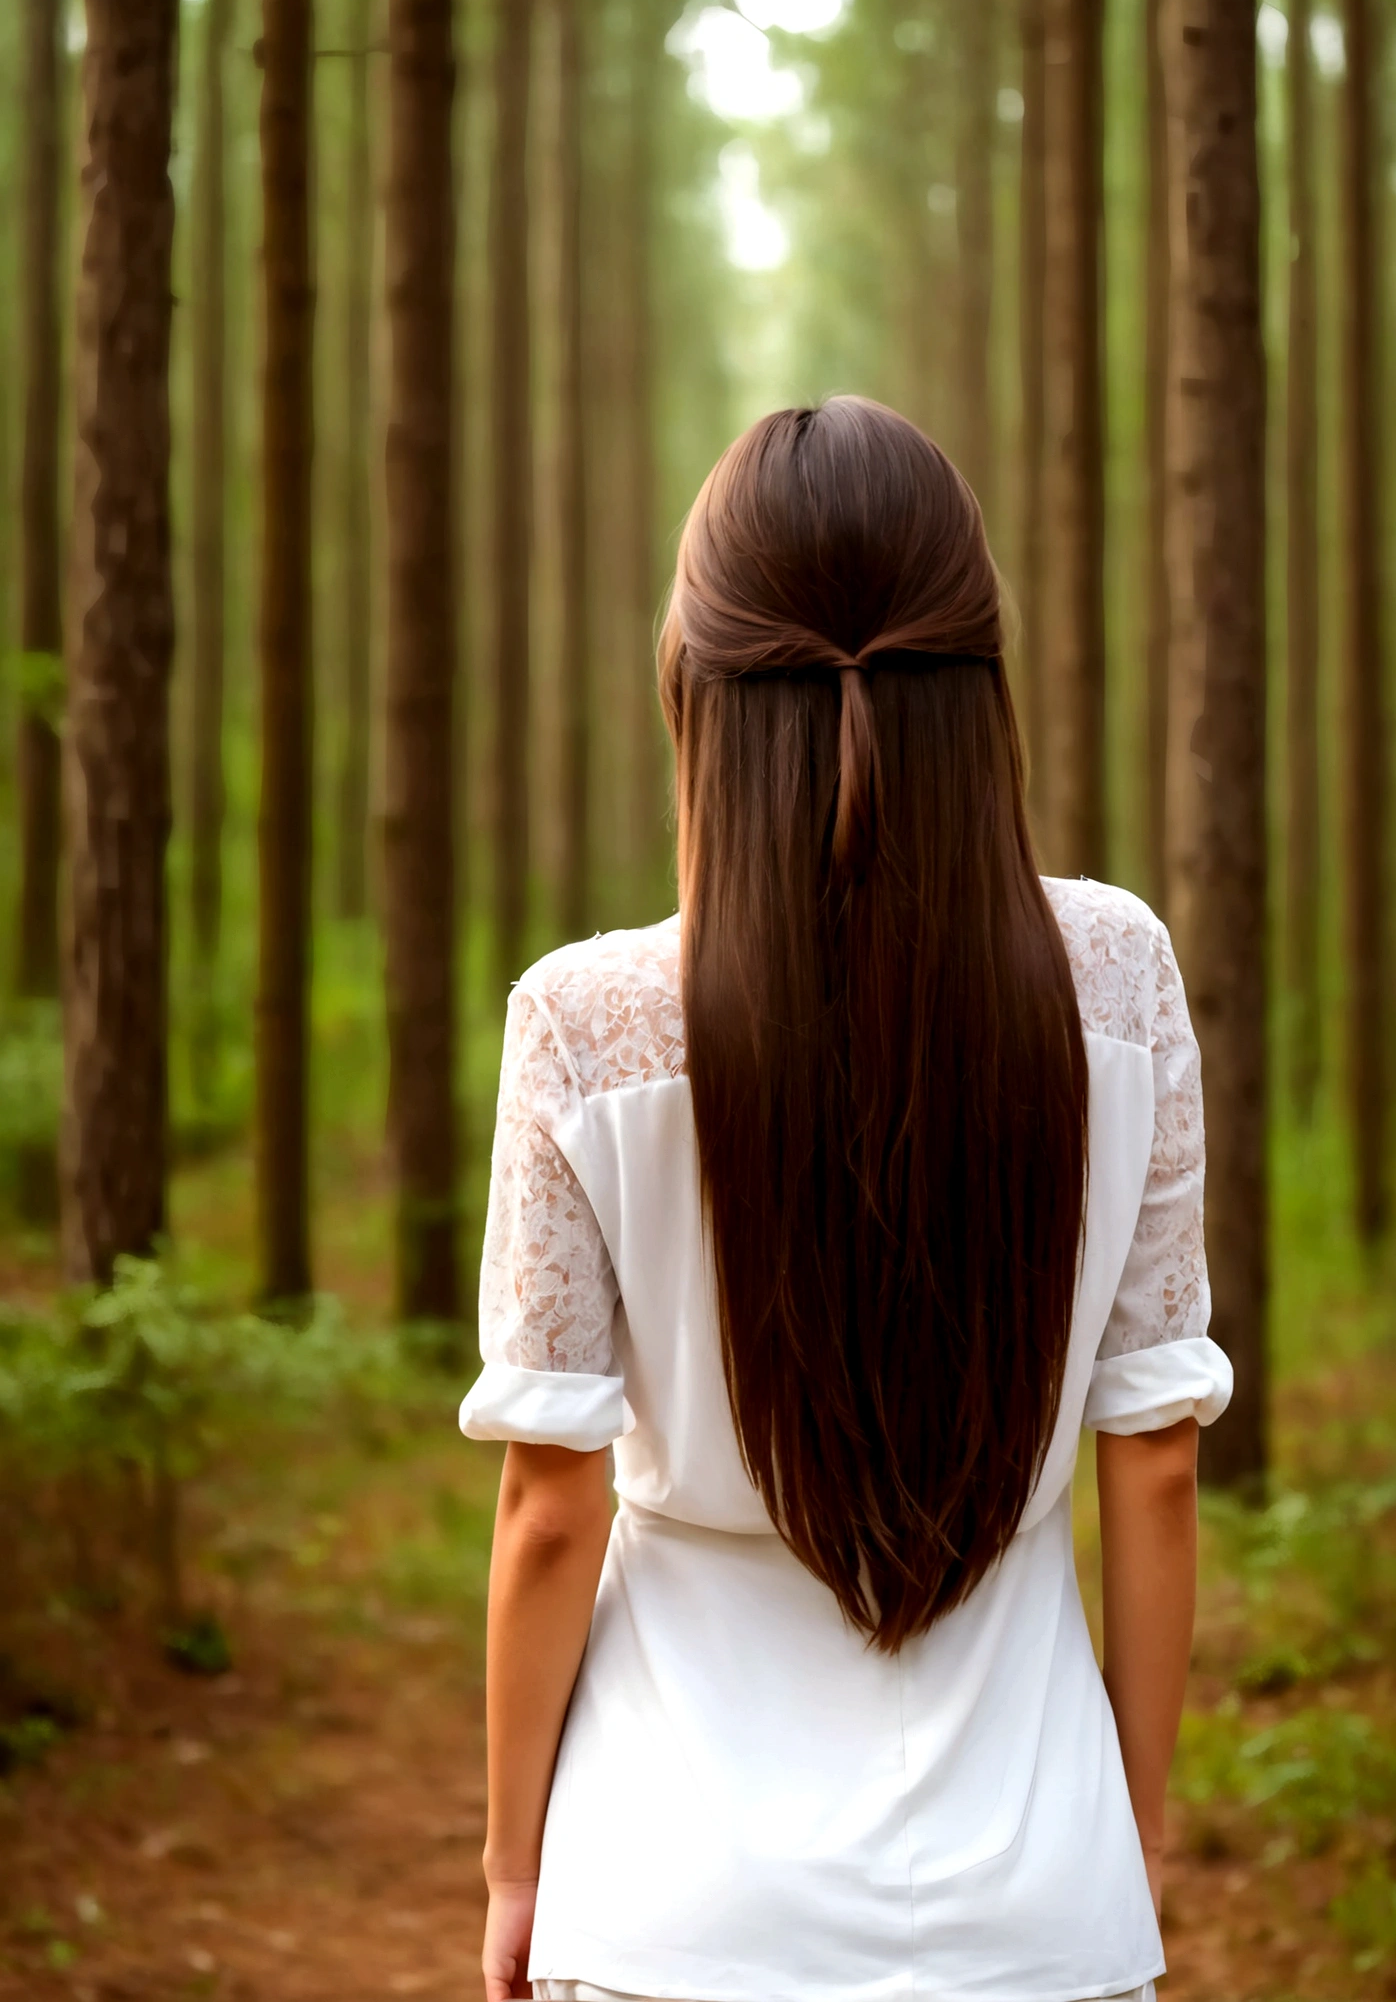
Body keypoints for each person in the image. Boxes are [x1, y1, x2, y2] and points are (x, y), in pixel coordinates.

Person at [462, 397, 1233, 2002]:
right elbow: (1151, 1463)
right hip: (1041, 1909)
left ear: (692, 686)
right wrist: (1132, 1833)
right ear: (983, 690)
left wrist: (515, 1865)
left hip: (672, 1911)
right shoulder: (1117, 978)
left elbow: (550, 1509)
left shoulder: (586, 1025)